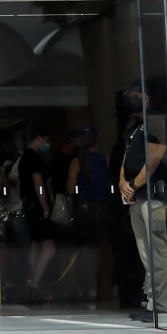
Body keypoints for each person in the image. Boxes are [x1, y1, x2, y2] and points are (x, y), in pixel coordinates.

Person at [119, 108, 167, 324]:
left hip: (152, 195)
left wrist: (133, 184)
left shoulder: (155, 128)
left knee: (157, 251)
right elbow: (124, 162)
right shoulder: (136, 132)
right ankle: (153, 302)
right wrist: (123, 183)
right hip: (138, 196)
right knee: (146, 253)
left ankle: (162, 304)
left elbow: (154, 159)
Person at [66, 124, 113, 309]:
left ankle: (86, 288)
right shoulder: (104, 159)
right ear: (97, 140)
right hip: (102, 209)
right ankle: (100, 288)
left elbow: (70, 188)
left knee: (84, 252)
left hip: (83, 210)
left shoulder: (77, 162)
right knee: (101, 249)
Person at [15, 125, 58, 303]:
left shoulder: (23, 158)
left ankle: (34, 284)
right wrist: (45, 206)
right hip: (37, 206)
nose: (46, 145)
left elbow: (19, 185)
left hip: (27, 205)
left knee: (34, 245)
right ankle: (34, 283)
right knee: (49, 247)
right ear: (39, 138)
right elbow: (38, 183)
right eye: (46, 141)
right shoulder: (35, 158)